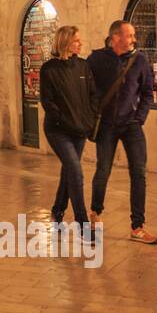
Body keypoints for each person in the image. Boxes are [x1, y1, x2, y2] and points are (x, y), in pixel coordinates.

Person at [89, 19, 157, 245]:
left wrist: (139, 118)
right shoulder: (96, 60)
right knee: (103, 170)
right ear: (115, 38)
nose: (133, 39)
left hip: (131, 124)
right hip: (107, 125)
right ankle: (95, 216)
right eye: (129, 35)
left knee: (139, 172)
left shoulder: (139, 60)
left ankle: (137, 226)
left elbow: (148, 92)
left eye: (133, 35)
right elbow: (86, 89)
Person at [40, 25, 98, 239]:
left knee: (69, 171)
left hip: (79, 130)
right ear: (65, 43)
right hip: (58, 131)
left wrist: (89, 119)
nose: (80, 44)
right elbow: (48, 101)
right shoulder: (49, 69)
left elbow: (93, 96)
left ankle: (57, 211)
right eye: (76, 41)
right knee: (76, 171)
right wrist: (62, 120)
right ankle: (82, 224)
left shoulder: (83, 67)